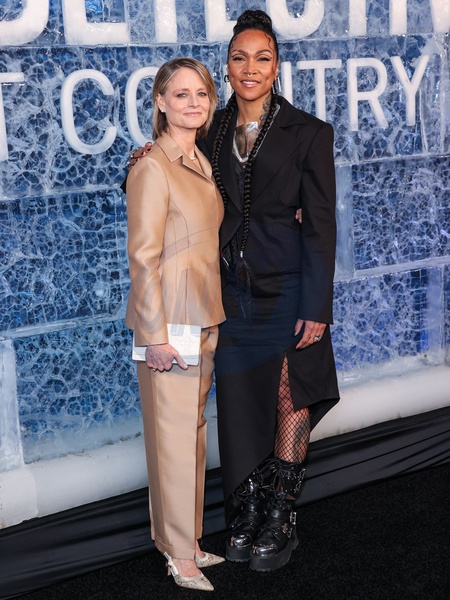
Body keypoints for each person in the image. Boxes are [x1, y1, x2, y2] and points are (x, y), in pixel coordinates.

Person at [126, 9, 339, 573]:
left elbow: (322, 226)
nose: (250, 68)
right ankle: (246, 511)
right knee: (242, 403)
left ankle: (281, 516)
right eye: (239, 57)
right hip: (230, 294)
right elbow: (171, 165)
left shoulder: (310, 133)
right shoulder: (210, 125)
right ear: (227, 66)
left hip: (290, 290)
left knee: (292, 396)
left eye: (262, 58)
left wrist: (318, 306)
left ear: (277, 66)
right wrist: (141, 155)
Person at [125, 57, 226, 591]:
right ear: (160, 102)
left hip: (203, 315)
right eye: (181, 94)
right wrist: (154, 337)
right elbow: (143, 259)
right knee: (171, 440)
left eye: (201, 94)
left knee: (192, 434)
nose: (193, 102)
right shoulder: (151, 167)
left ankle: (189, 540)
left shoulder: (200, 161)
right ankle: (177, 554)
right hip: (169, 324)